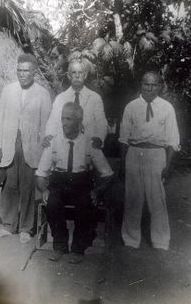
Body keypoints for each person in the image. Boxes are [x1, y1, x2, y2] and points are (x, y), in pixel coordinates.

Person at [36, 102, 114, 264]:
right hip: (58, 182)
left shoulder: (90, 143)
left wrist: (97, 191)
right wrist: (44, 189)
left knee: (85, 202)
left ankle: (78, 249)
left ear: (79, 121)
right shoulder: (53, 142)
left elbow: (108, 175)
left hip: (81, 182)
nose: (64, 123)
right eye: (63, 118)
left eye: (69, 119)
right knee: (52, 202)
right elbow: (41, 175)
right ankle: (59, 246)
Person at [0, 53, 51, 243]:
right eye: (19, 70)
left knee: (27, 186)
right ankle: (8, 225)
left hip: (31, 146)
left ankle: (26, 228)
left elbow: (47, 126)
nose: (22, 74)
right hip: (10, 143)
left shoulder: (42, 93)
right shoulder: (8, 90)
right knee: (9, 185)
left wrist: (44, 152)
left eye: (26, 71)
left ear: (34, 72)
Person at [119, 71, 180, 251]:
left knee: (157, 200)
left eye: (154, 85)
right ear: (141, 85)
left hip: (156, 154)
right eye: (146, 84)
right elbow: (123, 138)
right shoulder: (131, 107)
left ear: (160, 87)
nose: (150, 88)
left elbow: (172, 140)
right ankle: (131, 239)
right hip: (134, 153)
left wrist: (167, 165)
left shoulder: (167, 108)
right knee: (132, 198)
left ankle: (161, 241)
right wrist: (123, 164)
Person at [43, 58, 108, 149]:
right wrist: (49, 135)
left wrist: (99, 138)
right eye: (73, 73)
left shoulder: (95, 98)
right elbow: (52, 121)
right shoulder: (60, 98)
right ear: (69, 76)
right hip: (64, 147)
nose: (77, 76)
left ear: (85, 75)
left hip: (88, 147)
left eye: (80, 72)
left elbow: (101, 123)